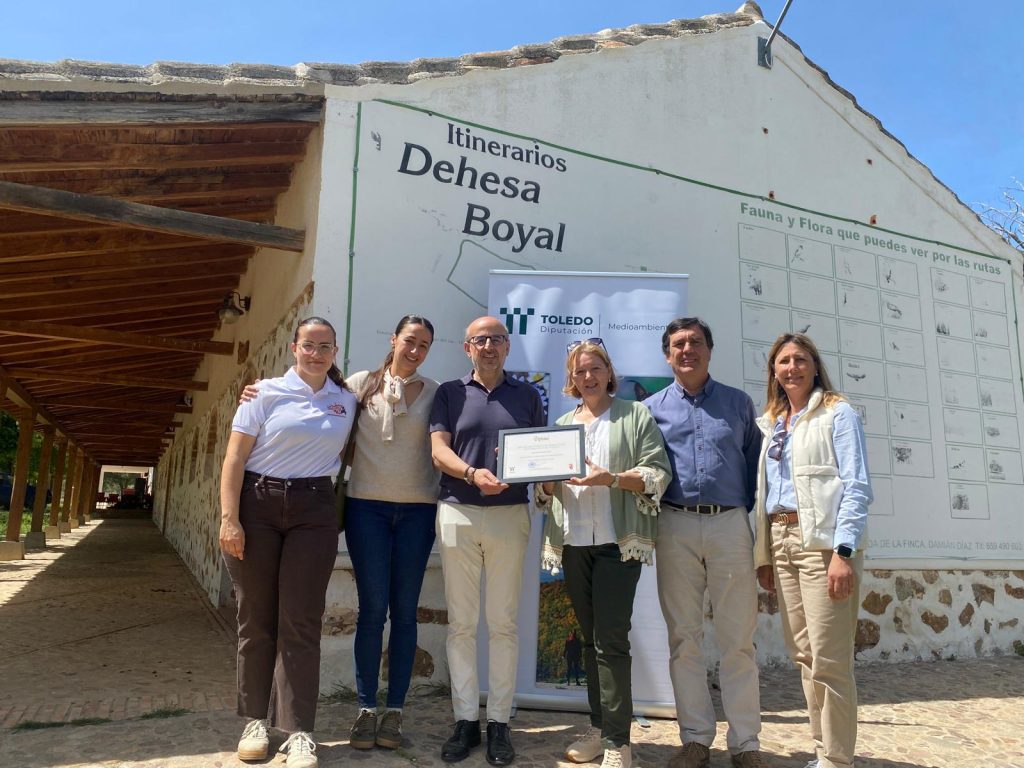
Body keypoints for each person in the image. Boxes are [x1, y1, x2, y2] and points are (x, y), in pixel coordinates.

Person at [219, 317, 357, 768]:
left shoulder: (347, 400)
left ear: (335, 352)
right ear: (294, 347)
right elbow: (235, 459)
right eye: (308, 345)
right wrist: (229, 519)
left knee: (300, 620)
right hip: (257, 504)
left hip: (314, 509)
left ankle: (299, 730)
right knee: (255, 618)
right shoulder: (264, 394)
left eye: (325, 347)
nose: (316, 353)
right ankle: (255, 720)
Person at [643, 318, 769, 768]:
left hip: (730, 526)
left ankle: (746, 744)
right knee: (684, 638)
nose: (687, 350)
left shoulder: (738, 403)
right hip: (674, 526)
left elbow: (756, 466)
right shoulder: (651, 409)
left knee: (738, 639)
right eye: (678, 344)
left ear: (710, 351)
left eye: (696, 342)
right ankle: (696, 738)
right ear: (667, 354)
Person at [538, 340, 671, 768]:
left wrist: (610, 479)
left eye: (595, 369)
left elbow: (657, 474)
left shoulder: (636, 415)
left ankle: (618, 744)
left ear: (609, 371)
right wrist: (538, 479)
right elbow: (547, 491)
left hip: (618, 543)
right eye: (580, 372)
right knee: (592, 636)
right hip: (573, 542)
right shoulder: (560, 424)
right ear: (571, 379)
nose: (589, 377)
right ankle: (598, 728)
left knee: (610, 641)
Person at [429, 315, 545, 766]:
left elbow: (539, 452)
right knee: (461, 624)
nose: (489, 346)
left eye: (497, 339)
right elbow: (438, 451)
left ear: (508, 346)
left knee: (502, 623)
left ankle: (498, 722)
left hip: (510, 515)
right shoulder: (449, 393)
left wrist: (545, 478)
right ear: (467, 348)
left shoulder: (527, 394)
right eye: (481, 340)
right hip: (458, 510)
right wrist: (472, 473)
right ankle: (465, 721)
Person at [753, 333, 872, 768]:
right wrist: (763, 555)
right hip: (781, 541)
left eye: (800, 359)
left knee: (830, 658)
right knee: (804, 655)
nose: (791, 367)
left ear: (814, 365)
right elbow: (765, 492)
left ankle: (838, 759)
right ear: (773, 371)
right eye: (782, 361)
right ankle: (822, 750)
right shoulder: (771, 421)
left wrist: (844, 552)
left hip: (822, 544)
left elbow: (856, 487)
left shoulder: (837, 413)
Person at [344, 316, 439, 751]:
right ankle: (366, 710)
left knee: (404, 613)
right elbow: (316, 404)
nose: (416, 350)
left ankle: (394, 713)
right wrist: (263, 392)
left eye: (424, 345)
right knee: (371, 611)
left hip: (418, 512)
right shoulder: (361, 384)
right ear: (394, 340)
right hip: (366, 509)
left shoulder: (437, 393)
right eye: (410, 341)